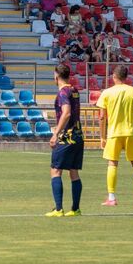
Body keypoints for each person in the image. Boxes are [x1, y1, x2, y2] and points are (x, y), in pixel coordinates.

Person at [96, 65, 133, 206]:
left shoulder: (107, 93)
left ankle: (112, 198)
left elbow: (102, 117)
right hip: (131, 132)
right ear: (126, 77)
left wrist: (102, 137)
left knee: (112, 163)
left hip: (114, 133)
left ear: (114, 76)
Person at [45, 64, 85, 217]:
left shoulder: (63, 92)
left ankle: (58, 209)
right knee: (73, 172)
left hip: (67, 137)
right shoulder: (74, 90)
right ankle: (75, 209)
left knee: (56, 170)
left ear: (56, 76)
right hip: (78, 135)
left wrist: (56, 133)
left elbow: (67, 113)